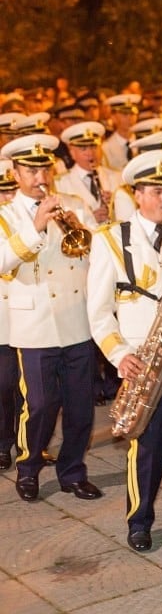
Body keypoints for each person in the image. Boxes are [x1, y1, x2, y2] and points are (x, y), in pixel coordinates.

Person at [86, 150, 162, 553]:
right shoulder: (110, 240)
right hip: (143, 362)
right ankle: (139, 520)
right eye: (156, 191)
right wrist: (119, 353)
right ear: (136, 194)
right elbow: (100, 311)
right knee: (147, 450)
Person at [0, 134, 101, 502]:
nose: (40, 175)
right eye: (31, 169)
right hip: (36, 326)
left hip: (76, 321)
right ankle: (28, 468)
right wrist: (37, 226)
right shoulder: (6, 215)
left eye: (44, 167)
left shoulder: (72, 205)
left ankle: (72, 471)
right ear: (16, 172)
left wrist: (81, 229)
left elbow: (96, 254)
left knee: (80, 408)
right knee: (40, 405)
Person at [0, 160, 22, 471]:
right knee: (4, 384)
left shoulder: (25, 218)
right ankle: (3, 443)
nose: (7, 198)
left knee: (27, 385)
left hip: (30, 315)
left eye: (11, 192)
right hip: (3, 317)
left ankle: (30, 443)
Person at [102, 94, 140, 171]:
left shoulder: (143, 143)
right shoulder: (106, 148)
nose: (130, 118)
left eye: (132, 114)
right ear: (113, 118)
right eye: (125, 114)